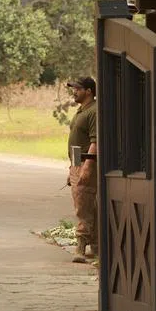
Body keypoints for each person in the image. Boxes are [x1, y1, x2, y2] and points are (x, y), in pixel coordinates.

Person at [65, 76, 97, 263]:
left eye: (77, 88)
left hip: (85, 164)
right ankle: (95, 247)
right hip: (76, 163)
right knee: (87, 205)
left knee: (83, 207)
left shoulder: (93, 111)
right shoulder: (81, 111)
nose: (74, 91)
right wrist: (72, 170)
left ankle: (80, 247)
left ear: (88, 91)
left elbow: (95, 142)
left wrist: (86, 168)